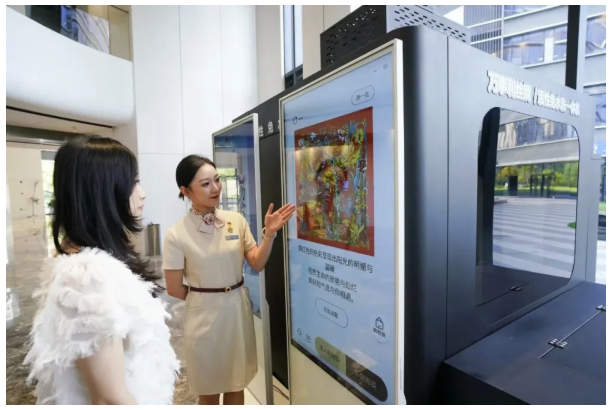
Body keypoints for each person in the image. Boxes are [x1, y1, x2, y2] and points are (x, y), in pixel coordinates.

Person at [24, 136, 180, 405]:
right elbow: (109, 399)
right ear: (103, 191)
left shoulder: (92, 261)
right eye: (134, 182)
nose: (142, 193)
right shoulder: (85, 277)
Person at [163, 155, 295, 405]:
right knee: (209, 388)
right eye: (205, 184)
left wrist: (269, 234)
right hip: (203, 319)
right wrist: (205, 299)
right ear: (186, 191)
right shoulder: (176, 234)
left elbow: (257, 262)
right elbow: (173, 287)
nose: (215, 188)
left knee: (237, 383)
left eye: (217, 180)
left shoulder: (236, 220)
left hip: (237, 312)